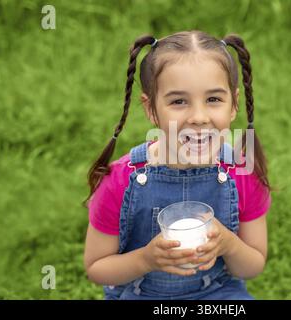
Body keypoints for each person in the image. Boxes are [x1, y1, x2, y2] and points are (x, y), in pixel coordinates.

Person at [83, 30, 272, 300]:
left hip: (216, 295)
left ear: (234, 105)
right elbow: (96, 268)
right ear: (151, 109)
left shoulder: (242, 174)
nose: (198, 117)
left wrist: (229, 245)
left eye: (214, 99)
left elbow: (252, 266)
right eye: (179, 101)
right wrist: (146, 260)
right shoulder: (120, 181)